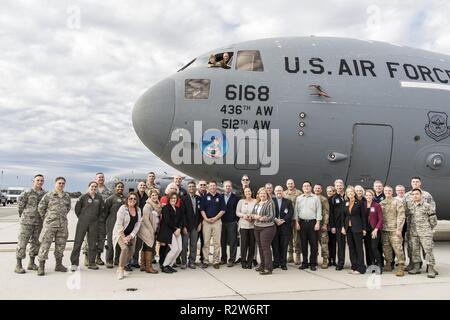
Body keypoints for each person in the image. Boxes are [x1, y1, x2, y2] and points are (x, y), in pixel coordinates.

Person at [36, 177, 71, 276]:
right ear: (55, 184)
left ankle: (58, 265)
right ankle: (41, 267)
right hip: (50, 225)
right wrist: (47, 218)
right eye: (59, 183)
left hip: (62, 225)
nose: (61, 185)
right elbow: (41, 208)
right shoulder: (48, 195)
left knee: (61, 245)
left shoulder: (67, 196)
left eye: (63, 183)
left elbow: (68, 208)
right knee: (45, 245)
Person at [15, 174, 46, 274]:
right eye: (38, 180)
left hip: (38, 223)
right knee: (22, 242)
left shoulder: (44, 194)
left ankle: (31, 263)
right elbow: (20, 206)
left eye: (41, 181)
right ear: (33, 181)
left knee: (35, 243)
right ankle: (18, 265)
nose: (40, 182)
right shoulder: (27, 193)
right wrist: (24, 216)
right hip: (26, 222)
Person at [70, 181, 104, 271]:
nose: (94, 188)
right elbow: (77, 209)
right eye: (92, 186)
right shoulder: (83, 197)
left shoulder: (99, 198)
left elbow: (101, 210)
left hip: (94, 223)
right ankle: (74, 263)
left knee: (93, 243)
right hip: (83, 222)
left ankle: (91, 262)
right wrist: (82, 218)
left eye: (95, 187)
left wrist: (95, 219)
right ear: (89, 187)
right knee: (78, 242)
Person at [404, 177, 436, 272]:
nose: (415, 196)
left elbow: (433, 219)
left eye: (417, 194)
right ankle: (416, 266)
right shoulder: (409, 202)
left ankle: (430, 268)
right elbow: (405, 214)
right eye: (413, 194)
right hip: (413, 231)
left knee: (428, 250)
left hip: (425, 231)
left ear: (421, 195)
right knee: (414, 250)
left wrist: (429, 229)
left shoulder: (427, 204)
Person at [113, 192, 142, 280]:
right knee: (124, 248)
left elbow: (138, 224)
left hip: (130, 234)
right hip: (120, 233)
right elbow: (119, 224)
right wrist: (124, 238)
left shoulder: (138, 210)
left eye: (134, 199)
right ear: (127, 199)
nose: (132, 200)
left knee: (131, 251)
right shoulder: (123, 208)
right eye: (130, 198)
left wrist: (131, 235)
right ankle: (120, 269)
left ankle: (124, 265)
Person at [294, 181, 322, 271]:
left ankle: (313, 263)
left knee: (313, 244)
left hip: (312, 223)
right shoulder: (299, 198)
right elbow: (296, 211)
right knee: (303, 244)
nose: (306, 187)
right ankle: (305, 262)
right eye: (304, 186)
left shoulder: (315, 198)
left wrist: (318, 222)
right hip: (302, 223)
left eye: (308, 186)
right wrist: (297, 222)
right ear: (302, 188)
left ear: (311, 187)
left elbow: (319, 211)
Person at [380, 185, 406, 276]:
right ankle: (388, 264)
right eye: (386, 191)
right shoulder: (382, 203)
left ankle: (400, 267)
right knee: (386, 248)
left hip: (395, 230)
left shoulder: (397, 202)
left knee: (398, 248)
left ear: (392, 192)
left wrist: (399, 229)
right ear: (384, 192)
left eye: (389, 191)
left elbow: (401, 216)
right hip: (384, 230)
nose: (387, 192)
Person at [200, 181, 225, 269]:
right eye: (211, 186)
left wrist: (215, 218)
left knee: (217, 243)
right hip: (206, 221)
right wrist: (206, 218)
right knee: (206, 242)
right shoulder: (204, 197)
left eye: (214, 185)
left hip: (217, 221)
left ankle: (216, 261)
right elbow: (202, 209)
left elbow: (223, 210)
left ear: (216, 187)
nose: (212, 187)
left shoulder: (220, 197)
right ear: (208, 187)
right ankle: (206, 261)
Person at [251, 187, 276, 275]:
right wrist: (253, 216)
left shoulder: (270, 203)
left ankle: (268, 268)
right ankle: (262, 264)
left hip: (267, 227)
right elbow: (253, 213)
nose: (262, 195)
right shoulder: (257, 203)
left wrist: (261, 218)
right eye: (261, 194)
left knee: (265, 247)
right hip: (257, 227)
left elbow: (271, 216)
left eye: (264, 194)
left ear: (267, 195)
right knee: (260, 247)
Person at [342, 186, 367, 274]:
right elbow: (343, 216)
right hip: (348, 229)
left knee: (359, 248)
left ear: (354, 193)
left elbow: (363, 217)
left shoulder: (359, 203)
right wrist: (343, 227)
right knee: (351, 248)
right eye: (348, 192)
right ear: (346, 194)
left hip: (357, 228)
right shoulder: (345, 203)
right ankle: (354, 266)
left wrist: (364, 228)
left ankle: (361, 268)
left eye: (351, 192)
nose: (350, 193)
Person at [89, 172, 112, 267]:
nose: (101, 179)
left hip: (103, 219)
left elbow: (110, 205)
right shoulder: (92, 190)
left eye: (102, 177)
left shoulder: (109, 191)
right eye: (99, 177)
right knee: (90, 238)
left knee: (101, 239)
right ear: (96, 179)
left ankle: (98, 257)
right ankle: (88, 257)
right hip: (92, 219)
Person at [102, 182, 126, 268]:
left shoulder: (125, 199)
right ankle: (109, 260)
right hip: (111, 223)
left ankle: (117, 260)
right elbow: (105, 212)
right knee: (110, 242)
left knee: (120, 242)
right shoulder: (110, 199)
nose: (120, 188)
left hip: (121, 224)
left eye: (122, 187)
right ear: (115, 188)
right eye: (118, 187)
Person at [158, 192, 182, 273]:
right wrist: (175, 229)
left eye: (175, 198)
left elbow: (180, 220)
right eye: (172, 198)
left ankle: (170, 265)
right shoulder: (166, 208)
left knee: (180, 249)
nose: (173, 200)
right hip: (168, 231)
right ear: (169, 199)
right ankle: (165, 265)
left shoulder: (178, 209)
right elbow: (167, 221)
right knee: (174, 249)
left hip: (177, 231)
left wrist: (179, 228)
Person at [180, 181, 202, 269]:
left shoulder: (199, 198)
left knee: (194, 245)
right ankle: (184, 262)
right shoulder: (183, 199)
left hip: (195, 225)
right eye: (190, 187)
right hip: (186, 226)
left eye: (193, 186)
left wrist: (200, 223)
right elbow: (182, 214)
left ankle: (192, 262)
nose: (191, 188)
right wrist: (184, 226)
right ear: (188, 188)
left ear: (195, 188)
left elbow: (200, 212)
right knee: (184, 245)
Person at [137, 189, 160, 274]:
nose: (154, 196)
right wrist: (151, 231)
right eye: (153, 195)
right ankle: (149, 267)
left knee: (146, 245)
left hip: (151, 228)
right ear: (150, 196)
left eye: (156, 195)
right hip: (146, 227)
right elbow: (146, 220)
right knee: (150, 245)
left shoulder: (157, 205)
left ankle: (143, 265)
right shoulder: (148, 205)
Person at [272, 186, 293, 270]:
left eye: (280, 190)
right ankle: (276, 262)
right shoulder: (271, 201)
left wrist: (283, 220)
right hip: (274, 226)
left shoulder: (288, 201)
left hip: (285, 226)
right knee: (275, 245)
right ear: (274, 192)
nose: (278, 192)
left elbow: (291, 213)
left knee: (284, 245)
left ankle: (283, 263)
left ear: (283, 191)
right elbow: (270, 212)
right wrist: (276, 220)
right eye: (277, 191)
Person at [236, 187, 257, 269]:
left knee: (252, 244)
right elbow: (237, 212)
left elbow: (257, 211)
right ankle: (243, 261)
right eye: (246, 191)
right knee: (244, 244)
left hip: (252, 226)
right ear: (244, 193)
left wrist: (252, 217)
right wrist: (243, 215)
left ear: (251, 192)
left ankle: (250, 261)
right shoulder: (241, 201)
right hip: (243, 226)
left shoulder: (255, 201)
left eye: (249, 191)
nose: (248, 192)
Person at [283, 179, 302, 265]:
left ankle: (297, 255)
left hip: (296, 219)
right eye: (288, 184)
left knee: (297, 238)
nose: (290, 185)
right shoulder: (284, 193)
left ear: (294, 184)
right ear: (286, 185)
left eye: (291, 183)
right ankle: (290, 255)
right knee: (288, 237)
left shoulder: (299, 193)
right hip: (287, 219)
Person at [220, 181, 239, 267]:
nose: (228, 187)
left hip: (232, 222)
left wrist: (236, 220)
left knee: (232, 242)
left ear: (231, 187)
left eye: (229, 186)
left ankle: (232, 260)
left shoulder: (236, 198)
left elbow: (238, 210)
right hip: (221, 222)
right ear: (223, 187)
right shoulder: (220, 197)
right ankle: (223, 259)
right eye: (226, 186)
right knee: (222, 242)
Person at [329, 179, 346, 270]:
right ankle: (340, 263)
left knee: (352, 244)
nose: (339, 187)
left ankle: (355, 262)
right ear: (335, 187)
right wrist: (332, 226)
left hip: (349, 224)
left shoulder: (348, 196)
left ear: (343, 186)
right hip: (338, 225)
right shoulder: (333, 198)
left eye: (340, 185)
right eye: (337, 186)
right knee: (340, 245)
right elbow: (331, 213)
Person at [130, 181, 148, 269]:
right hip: (133, 221)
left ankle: (136, 261)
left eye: (144, 185)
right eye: (141, 185)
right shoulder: (134, 196)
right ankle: (129, 261)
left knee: (139, 243)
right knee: (131, 242)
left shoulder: (147, 197)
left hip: (143, 222)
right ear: (138, 187)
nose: (142, 187)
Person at [365, 190, 383, 271]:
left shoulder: (377, 205)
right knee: (369, 248)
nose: (368, 197)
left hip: (374, 230)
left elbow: (381, 219)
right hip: (366, 230)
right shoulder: (363, 205)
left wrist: (376, 229)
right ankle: (372, 265)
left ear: (373, 196)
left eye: (370, 195)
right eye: (367, 195)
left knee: (374, 247)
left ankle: (379, 265)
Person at [313, 184, 330, 269]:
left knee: (323, 243)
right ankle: (314, 259)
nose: (317, 189)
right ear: (313, 189)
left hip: (322, 225)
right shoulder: (311, 198)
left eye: (319, 188)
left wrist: (325, 224)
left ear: (321, 189)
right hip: (312, 225)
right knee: (313, 243)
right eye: (316, 188)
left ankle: (325, 260)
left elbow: (326, 212)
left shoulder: (324, 199)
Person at [196, 180, 208, 264]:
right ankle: (191, 259)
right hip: (196, 223)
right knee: (194, 241)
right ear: (198, 186)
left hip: (206, 223)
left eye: (204, 185)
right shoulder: (195, 196)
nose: (203, 186)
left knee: (204, 241)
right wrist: (199, 222)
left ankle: (203, 258)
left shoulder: (208, 196)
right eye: (201, 185)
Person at [326, 185, 337, 266]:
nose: (329, 193)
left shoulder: (334, 200)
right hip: (328, 225)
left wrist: (332, 226)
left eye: (330, 191)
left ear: (334, 192)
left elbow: (333, 214)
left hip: (332, 225)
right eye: (328, 191)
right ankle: (330, 259)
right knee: (329, 243)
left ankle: (333, 260)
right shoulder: (326, 200)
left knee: (333, 243)